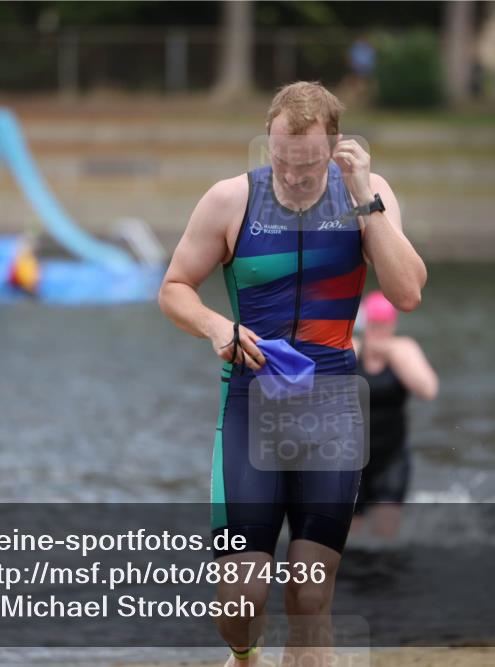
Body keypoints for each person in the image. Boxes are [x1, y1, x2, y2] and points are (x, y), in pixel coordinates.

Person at [158, 81, 426, 666]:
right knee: (239, 602)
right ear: (268, 142)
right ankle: (244, 656)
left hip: (332, 412)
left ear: (334, 150)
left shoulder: (368, 195)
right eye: (280, 159)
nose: (293, 175)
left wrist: (364, 199)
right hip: (251, 408)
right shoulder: (232, 200)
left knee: (309, 596)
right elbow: (174, 289)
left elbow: (406, 292)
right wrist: (215, 327)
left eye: (308, 165)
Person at [351, 291, 438, 540]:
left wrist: (392, 354)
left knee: (385, 533)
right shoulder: (353, 348)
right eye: (373, 326)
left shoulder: (404, 350)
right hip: (350, 461)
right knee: (349, 537)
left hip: (391, 459)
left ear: (392, 325)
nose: (378, 331)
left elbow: (428, 390)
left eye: (383, 326)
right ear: (365, 325)